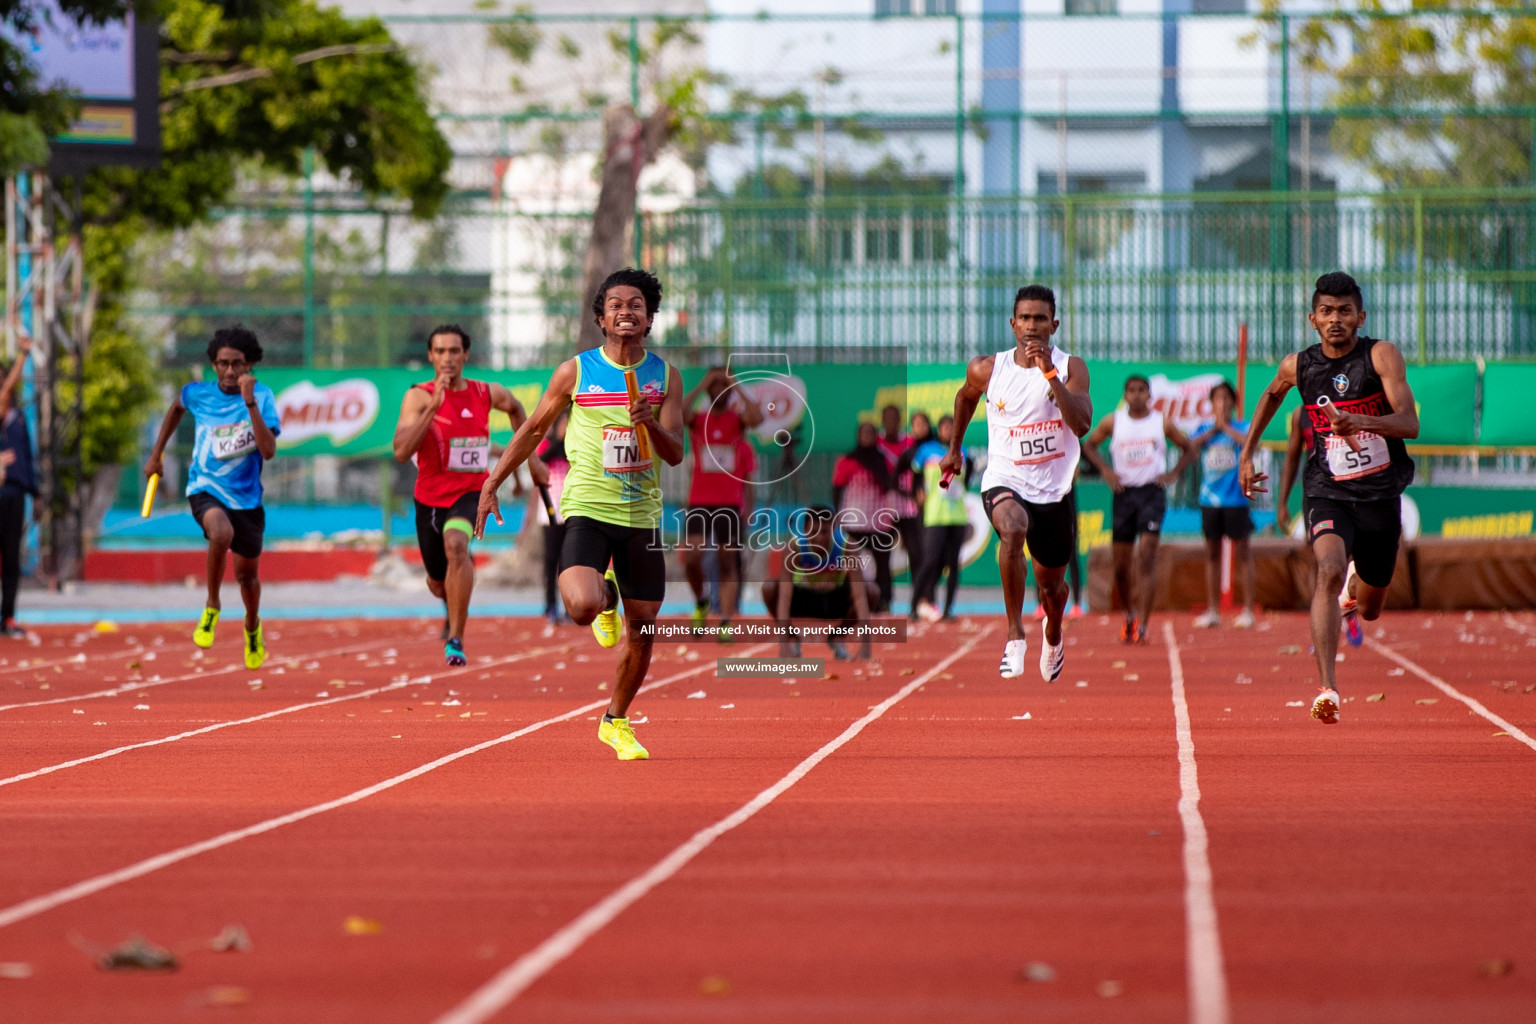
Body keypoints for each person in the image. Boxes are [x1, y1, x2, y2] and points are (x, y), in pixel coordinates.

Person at [475, 268, 684, 761]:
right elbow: (530, 430)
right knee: (582, 606)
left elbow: (675, 454)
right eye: (616, 305)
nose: (626, 311)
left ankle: (616, 720)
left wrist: (651, 423)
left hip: (641, 514)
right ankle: (605, 597)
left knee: (645, 629)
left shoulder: (666, 377)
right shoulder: (576, 371)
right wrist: (492, 482)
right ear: (601, 317)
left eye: (636, 304)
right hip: (588, 505)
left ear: (650, 318)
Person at [1240, 271, 1419, 725]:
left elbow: (1409, 423)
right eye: (1326, 312)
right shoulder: (1298, 366)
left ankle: (1356, 590)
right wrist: (1246, 454)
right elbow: (1269, 396)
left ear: (1360, 316)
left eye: (1344, 311)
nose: (1335, 319)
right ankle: (1328, 688)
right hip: (1327, 489)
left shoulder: (1381, 355)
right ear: (1312, 319)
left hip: (1380, 493)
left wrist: (1361, 423)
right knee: (1329, 568)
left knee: (1373, 608)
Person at [942, 284, 1093, 681]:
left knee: (1053, 590)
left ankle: (1054, 633)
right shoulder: (988, 368)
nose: (1031, 326)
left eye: (1040, 318)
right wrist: (954, 450)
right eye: (1024, 318)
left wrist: (1050, 376)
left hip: (1054, 491)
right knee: (1012, 528)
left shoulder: (1071, 366)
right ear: (1012, 324)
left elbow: (1081, 423)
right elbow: (964, 398)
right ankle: (1014, 636)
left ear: (1054, 324)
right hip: (1005, 478)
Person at [392, 324, 537, 667]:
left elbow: (517, 409)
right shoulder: (418, 396)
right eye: (440, 351)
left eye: (454, 351)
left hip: (472, 491)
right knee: (438, 582)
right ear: (430, 356)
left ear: (465, 355)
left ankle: (456, 638)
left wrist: (530, 459)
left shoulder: (485, 393)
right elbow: (400, 451)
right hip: (429, 498)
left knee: (457, 546)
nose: (447, 358)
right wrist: (432, 409)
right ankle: (450, 607)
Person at [143, 326, 281, 669]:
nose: (230, 372)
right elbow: (176, 408)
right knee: (220, 533)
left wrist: (249, 403)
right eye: (223, 364)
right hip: (205, 487)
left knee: (248, 577)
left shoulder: (262, 397)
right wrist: (156, 453)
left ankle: (252, 625)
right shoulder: (198, 394)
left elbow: (268, 450)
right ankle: (212, 605)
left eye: (237, 364)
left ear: (249, 366)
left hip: (247, 499)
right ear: (214, 365)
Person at [1080, 375, 1196, 645]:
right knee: (1121, 566)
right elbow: (1089, 445)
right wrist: (1106, 471)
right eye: (1131, 390)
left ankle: (1143, 623)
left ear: (1149, 395)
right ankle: (1129, 615)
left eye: (1141, 390)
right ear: (1125, 394)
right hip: (1124, 494)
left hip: (1151, 494)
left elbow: (1188, 449)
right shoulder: (1114, 421)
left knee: (1145, 557)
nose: (1136, 395)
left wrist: (1173, 474)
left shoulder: (1160, 422)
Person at [679, 366, 762, 638]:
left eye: (721, 385)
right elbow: (677, 415)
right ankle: (701, 601)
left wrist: (734, 382)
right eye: (714, 385)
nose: (718, 389)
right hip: (699, 501)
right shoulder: (698, 419)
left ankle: (726, 620)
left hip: (729, 503)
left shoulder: (737, 421)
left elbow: (758, 418)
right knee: (692, 558)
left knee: (728, 562)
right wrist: (704, 383)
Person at [761, 506, 875, 661]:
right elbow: (784, 597)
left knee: (872, 591)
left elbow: (860, 595)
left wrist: (866, 648)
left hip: (834, 600)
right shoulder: (794, 548)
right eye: (814, 532)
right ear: (804, 530)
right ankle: (792, 639)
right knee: (769, 588)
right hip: (805, 599)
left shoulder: (848, 546)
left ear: (834, 530)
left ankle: (838, 636)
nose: (819, 538)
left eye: (825, 532)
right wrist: (783, 646)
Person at [1191, 380, 1256, 629]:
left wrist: (1226, 428)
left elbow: (1250, 443)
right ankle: (1212, 610)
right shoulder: (1204, 428)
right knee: (1212, 554)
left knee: (1243, 553)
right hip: (1210, 500)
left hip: (1236, 499)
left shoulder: (1242, 426)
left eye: (1226, 398)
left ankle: (1248, 609)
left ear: (1233, 402)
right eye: (1217, 398)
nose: (1222, 402)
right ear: (1211, 403)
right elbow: (1191, 446)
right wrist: (1214, 430)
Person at [911, 415, 972, 622]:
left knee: (953, 565)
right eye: (944, 427)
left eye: (952, 427)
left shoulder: (964, 452)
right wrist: (917, 492)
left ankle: (948, 610)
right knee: (929, 561)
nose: (948, 430)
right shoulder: (926, 451)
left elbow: (967, 479)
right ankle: (914, 605)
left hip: (957, 516)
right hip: (935, 514)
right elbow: (915, 476)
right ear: (938, 429)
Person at [831, 423, 897, 611]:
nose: (867, 436)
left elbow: (891, 484)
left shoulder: (884, 460)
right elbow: (837, 488)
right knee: (849, 564)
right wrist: (837, 514)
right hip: (854, 520)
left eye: (871, 433)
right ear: (858, 435)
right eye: (863, 433)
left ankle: (883, 602)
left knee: (882, 565)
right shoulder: (848, 460)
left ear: (876, 436)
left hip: (879, 520)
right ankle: (848, 602)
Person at [0, 337, 34, 638]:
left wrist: (34, 492)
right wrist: (23, 354)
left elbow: (28, 455)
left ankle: (8, 616)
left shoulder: (19, 416)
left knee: (12, 557)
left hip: (15, 495)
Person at [877, 403, 925, 614]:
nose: (891, 421)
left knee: (916, 553)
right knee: (883, 556)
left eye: (894, 417)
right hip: (884, 506)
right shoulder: (876, 444)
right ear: (882, 420)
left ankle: (918, 602)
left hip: (909, 506)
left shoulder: (910, 443)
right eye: (887, 417)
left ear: (899, 420)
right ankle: (885, 600)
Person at [533, 410, 570, 633]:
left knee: (569, 562)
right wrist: (557, 439)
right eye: (564, 422)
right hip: (549, 510)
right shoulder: (548, 445)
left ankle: (569, 606)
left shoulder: (574, 446)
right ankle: (550, 605)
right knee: (551, 560)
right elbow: (539, 461)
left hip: (570, 509)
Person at [1275, 406, 1312, 536]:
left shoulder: (1348, 405)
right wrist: (1282, 503)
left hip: (1350, 491)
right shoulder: (1300, 414)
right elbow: (1291, 459)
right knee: (1316, 547)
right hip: (1315, 493)